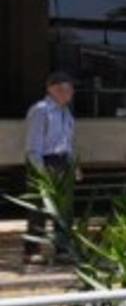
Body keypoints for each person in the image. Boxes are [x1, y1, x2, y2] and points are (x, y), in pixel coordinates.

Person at [22, 72, 77, 265]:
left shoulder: (66, 112)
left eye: (71, 89)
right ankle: (32, 250)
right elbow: (33, 145)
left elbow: (67, 141)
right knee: (39, 208)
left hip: (63, 163)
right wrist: (40, 170)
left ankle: (62, 249)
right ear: (52, 89)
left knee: (63, 210)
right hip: (45, 162)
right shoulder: (41, 110)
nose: (69, 93)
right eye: (65, 89)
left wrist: (74, 165)